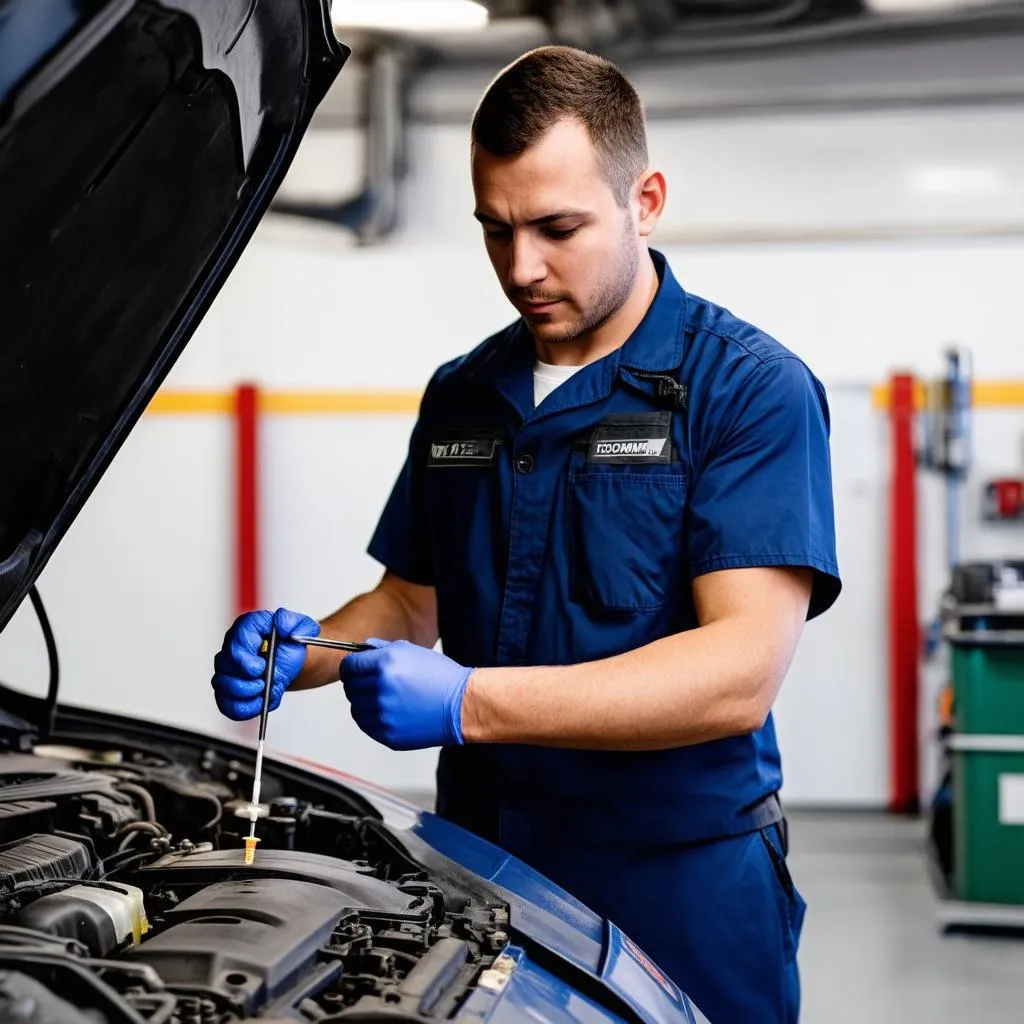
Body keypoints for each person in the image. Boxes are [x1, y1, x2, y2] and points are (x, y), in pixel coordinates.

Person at [211, 45, 840, 1022]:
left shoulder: (747, 389)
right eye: (495, 229)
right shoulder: (464, 392)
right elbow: (413, 599)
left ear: (647, 199)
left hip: (675, 880)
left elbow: (737, 671)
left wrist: (469, 702)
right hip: (485, 864)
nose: (521, 267)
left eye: (558, 228)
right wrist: (307, 652)